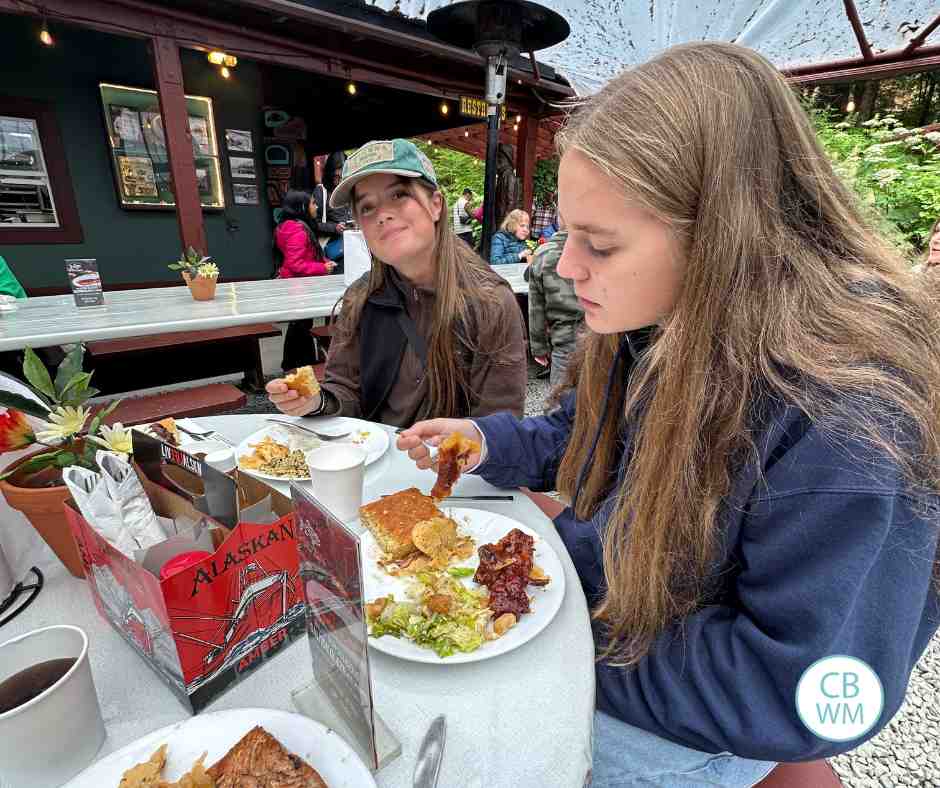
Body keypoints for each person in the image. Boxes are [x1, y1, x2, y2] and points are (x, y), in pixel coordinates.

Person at [398, 42, 940, 786]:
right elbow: (583, 432)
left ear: (721, 234)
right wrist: (488, 442)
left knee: (439, 734)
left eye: (600, 244)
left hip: (699, 717)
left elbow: (800, 691)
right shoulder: (666, 319)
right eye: (566, 232)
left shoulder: (848, 415)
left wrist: (550, 636)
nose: (565, 266)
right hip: (612, 615)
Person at [266, 138, 527, 427]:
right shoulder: (360, 296)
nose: (382, 215)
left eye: (399, 195)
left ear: (436, 205)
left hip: (451, 455)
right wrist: (317, 402)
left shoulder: (491, 302)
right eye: (367, 207)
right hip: (374, 452)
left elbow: (499, 426)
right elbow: (346, 388)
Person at [273, 190, 336, 372]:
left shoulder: (287, 226)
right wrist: (322, 268)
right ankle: (301, 365)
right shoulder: (298, 231)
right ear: (302, 207)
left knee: (298, 325)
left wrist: (324, 262)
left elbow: (307, 254)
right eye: (313, 203)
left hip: (295, 284)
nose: (316, 207)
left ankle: (293, 363)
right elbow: (295, 263)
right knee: (301, 326)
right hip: (299, 286)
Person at [525, 231, 582, 387]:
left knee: (561, 398)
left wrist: (539, 348)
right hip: (599, 341)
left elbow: (536, 308)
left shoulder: (543, 254)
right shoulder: (599, 247)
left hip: (564, 343)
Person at [313, 151, 352, 271]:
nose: (339, 181)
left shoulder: (350, 189)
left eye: (342, 177)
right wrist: (334, 227)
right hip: (333, 250)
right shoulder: (321, 191)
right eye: (336, 177)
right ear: (329, 174)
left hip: (353, 246)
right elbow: (313, 223)